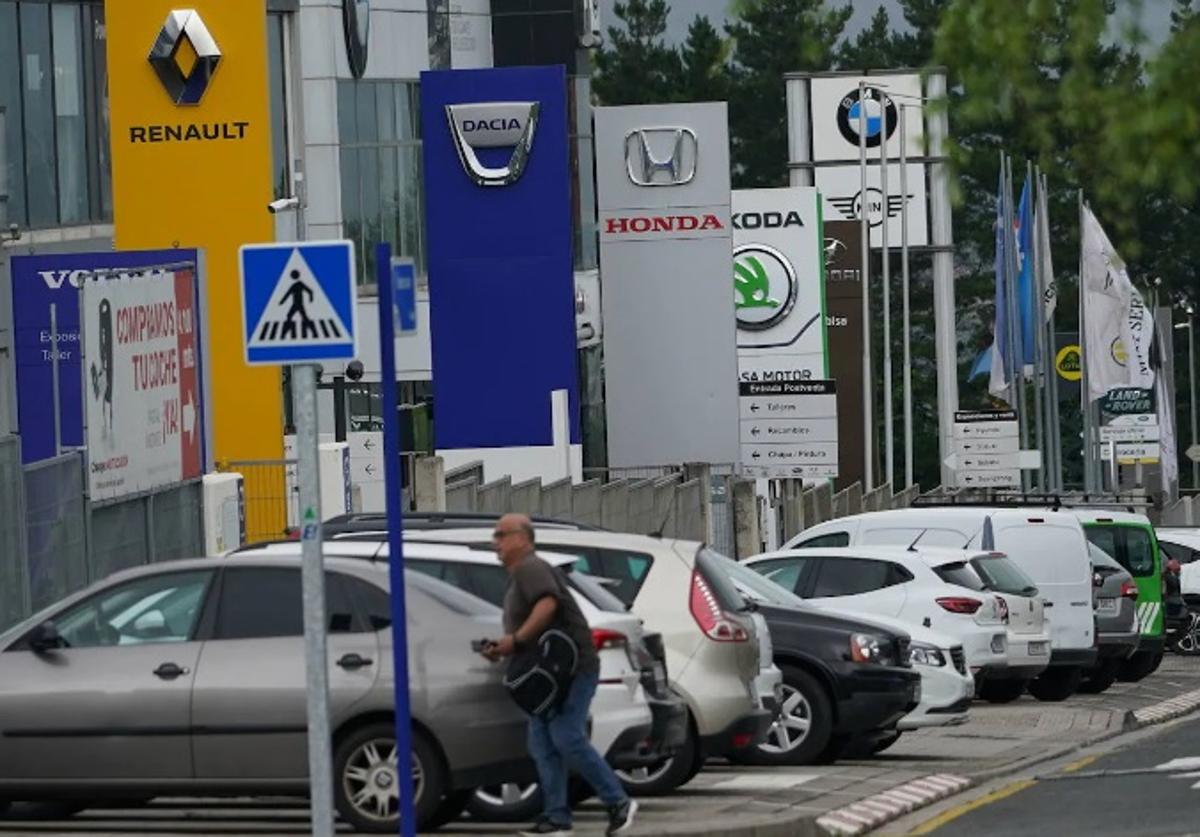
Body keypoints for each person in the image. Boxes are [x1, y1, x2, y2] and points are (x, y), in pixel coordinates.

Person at [480, 513, 638, 837]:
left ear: (522, 538)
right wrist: (504, 647)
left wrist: (517, 640)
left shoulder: (531, 567)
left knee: (566, 736)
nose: (495, 541)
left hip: (570, 671)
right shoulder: (519, 573)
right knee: (542, 744)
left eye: (501, 534)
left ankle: (619, 801)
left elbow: (547, 605)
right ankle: (556, 819)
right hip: (547, 678)